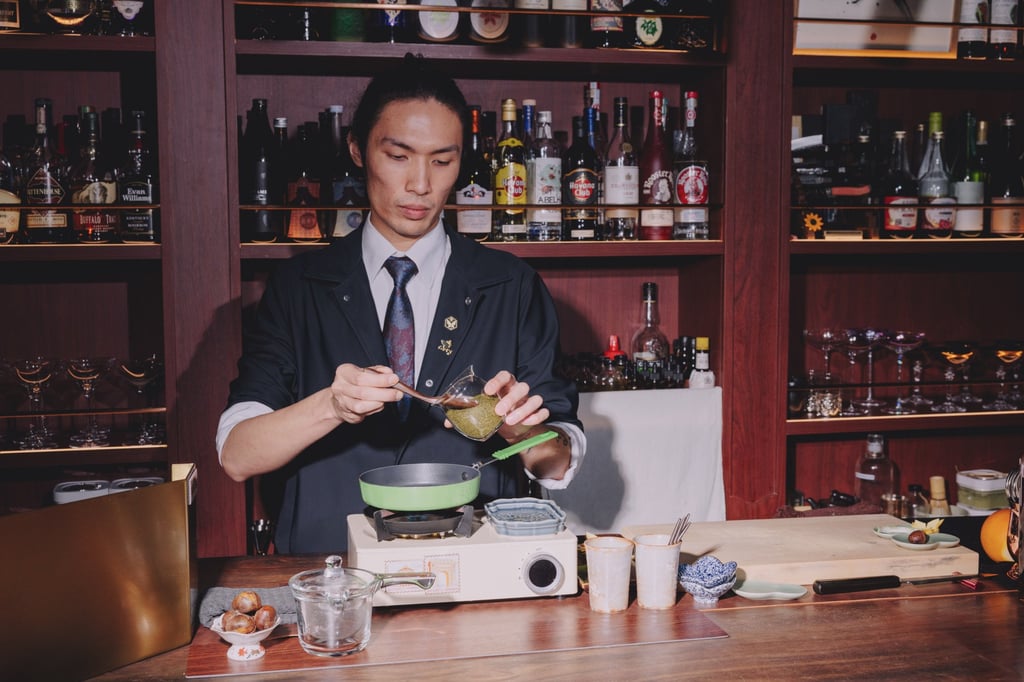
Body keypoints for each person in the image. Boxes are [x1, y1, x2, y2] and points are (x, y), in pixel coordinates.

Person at [216, 55, 586, 553]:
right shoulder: (298, 287)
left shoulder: (511, 285)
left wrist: (522, 430)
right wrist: (331, 404)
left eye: (442, 161)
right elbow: (237, 455)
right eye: (398, 156)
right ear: (358, 150)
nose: (420, 185)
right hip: (331, 566)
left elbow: (557, 465)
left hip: (473, 563)